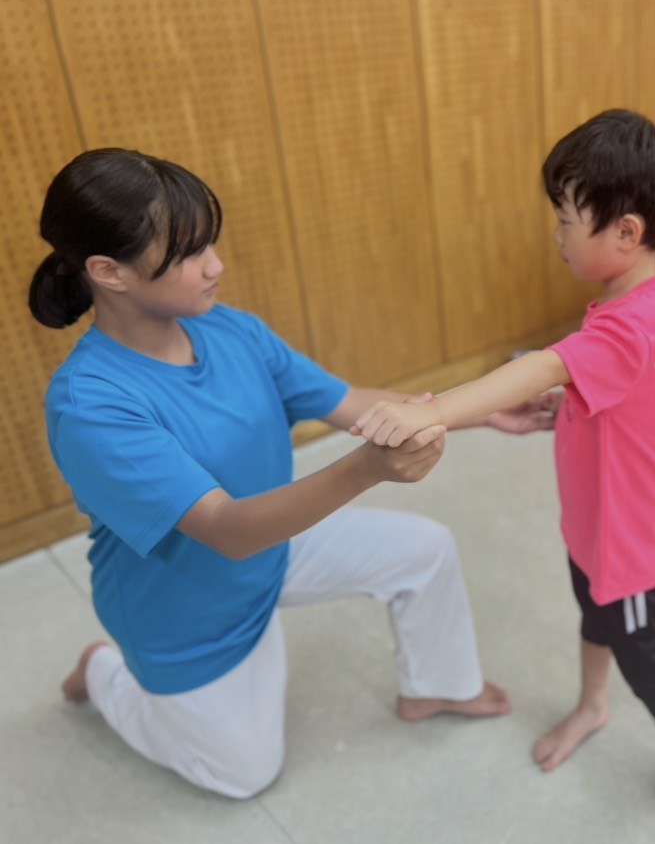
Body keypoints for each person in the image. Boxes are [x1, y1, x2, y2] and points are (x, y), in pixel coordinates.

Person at [32, 148, 516, 800]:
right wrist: (370, 468)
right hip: (187, 612)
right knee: (244, 777)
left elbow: (349, 405)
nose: (216, 266)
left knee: (426, 550)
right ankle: (104, 675)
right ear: (107, 272)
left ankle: (436, 687)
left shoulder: (230, 330)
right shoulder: (91, 404)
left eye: (211, 243)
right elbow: (226, 531)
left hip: (276, 545)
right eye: (188, 254)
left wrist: (481, 411)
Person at [352, 109, 655, 844]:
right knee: (592, 618)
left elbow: (548, 363)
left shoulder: (625, 324)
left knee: (649, 660)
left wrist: (438, 413)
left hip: (630, 545)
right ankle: (591, 705)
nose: (555, 231)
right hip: (591, 528)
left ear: (626, 234)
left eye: (566, 217)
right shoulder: (647, 295)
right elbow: (601, 384)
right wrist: (572, 405)